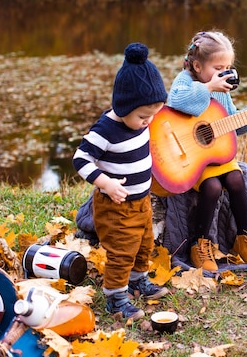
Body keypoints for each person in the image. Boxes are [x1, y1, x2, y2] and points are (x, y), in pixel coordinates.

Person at [73, 42, 169, 320]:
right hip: (115, 206)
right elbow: (80, 159)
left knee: (144, 245)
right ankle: (115, 299)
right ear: (123, 106)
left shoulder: (141, 121)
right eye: (142, 116)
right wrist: (104, 182)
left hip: (142, 202)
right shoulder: (105, 129)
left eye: (152, 115)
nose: (147, 122)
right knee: (121, 252)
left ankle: (138, 282)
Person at [167, 30, 247, 272]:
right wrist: (209, 87)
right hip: (193, 158)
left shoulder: (223, 92)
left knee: (236, 179)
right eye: (218, 67)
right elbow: (176, 102)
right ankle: (200, 244)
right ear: (198, 66)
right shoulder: (186, 80)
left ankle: (246, 238)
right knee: (211, 186)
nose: (226, 73)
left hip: (218, 155)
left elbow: (231, 124)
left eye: (228, 67)